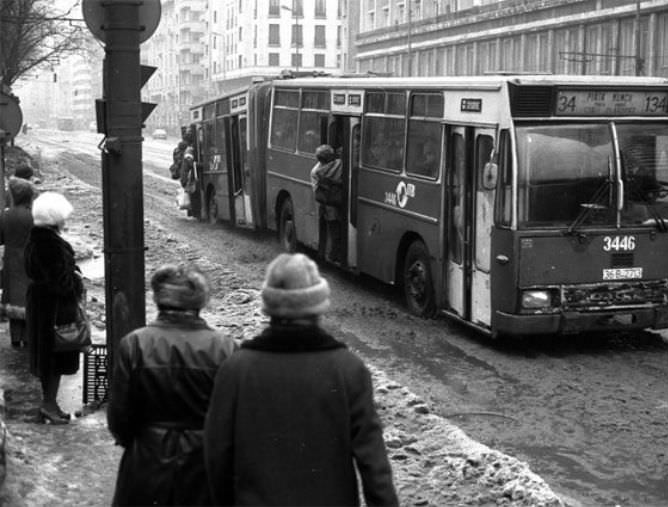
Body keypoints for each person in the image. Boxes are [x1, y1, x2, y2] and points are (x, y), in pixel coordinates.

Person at [204, 253, 398, 506]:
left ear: (269, 307)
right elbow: (374, 464)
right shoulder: (348, 369)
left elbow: (216, 454)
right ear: (319, 306)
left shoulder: (236, 370)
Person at [107, 263, 237, 506]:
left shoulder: (135, 343)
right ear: (200, 301)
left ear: (158, 298)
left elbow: (119, 416)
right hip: (203, 462)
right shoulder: (225, 347)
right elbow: (232, 419)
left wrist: (138, 441)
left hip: (147, 458)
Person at [24, 191, 84, 424]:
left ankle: (50, 404)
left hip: (41, 304)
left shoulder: (36, 239)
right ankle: (49, 404)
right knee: (54, 357)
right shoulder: (51, 244)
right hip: (54, 309)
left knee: (46, 356)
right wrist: (76, 279)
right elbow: (61, 282)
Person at [0, 177, 35, 347]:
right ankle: (28, 337)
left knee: (13, 297)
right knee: (29, 296)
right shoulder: (32, 215)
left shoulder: (6, 215)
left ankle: (15, 338)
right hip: (30, 259)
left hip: (11, 260)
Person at [310, 144, 344, 265]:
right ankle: (334, 255)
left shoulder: (316, 171)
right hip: (333, 205)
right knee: (336, 231)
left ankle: (328, 255)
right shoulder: (338, 165)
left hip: (325, 204)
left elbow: (316, 189)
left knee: (332, 230)